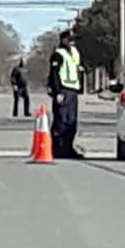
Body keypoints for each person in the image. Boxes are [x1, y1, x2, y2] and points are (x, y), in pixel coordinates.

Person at [47, 30, 83, 159]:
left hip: (73, 90)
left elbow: (78, 70)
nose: (72, 42)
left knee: (71, 122)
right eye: (70, 39)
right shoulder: (58, 54)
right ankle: (57, 149)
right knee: (61, 121)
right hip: (63, 89)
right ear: (63, 40)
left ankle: (68, 148)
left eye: (73, 39)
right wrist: (57, 92)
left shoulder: (75, 53)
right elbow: (54, 74)